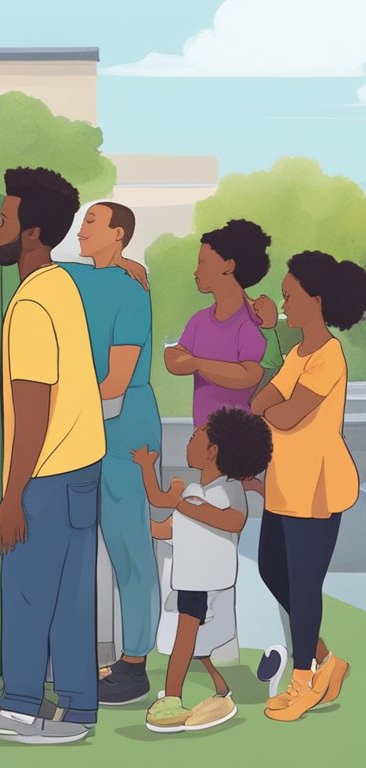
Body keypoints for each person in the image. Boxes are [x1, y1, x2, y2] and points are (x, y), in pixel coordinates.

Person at [0, 168, 105, 745]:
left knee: (28, 588)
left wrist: (12, 497)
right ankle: (78, 708)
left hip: (45, 470)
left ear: (31, 234)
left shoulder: (29, 303)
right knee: (73, 594)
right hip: (84, 462)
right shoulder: (61, 286)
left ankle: (21, 706)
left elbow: (33, 408)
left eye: (4, 220)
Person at [250, 250, 365, 722]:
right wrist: (276, 408)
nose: (283, 304)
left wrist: (276, 409)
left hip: (316, 487)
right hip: (284, 484)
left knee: (303, 586)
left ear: (316, 301)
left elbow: (287, 412)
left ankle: (303, 683)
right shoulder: (298, 353)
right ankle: (325, 659)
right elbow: (263, 401)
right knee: (271, 570)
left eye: (290, 296)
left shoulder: (328, 357)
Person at [62, 202, 164, 705]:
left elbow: (117, 380)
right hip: (86, 427)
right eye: (82, 222)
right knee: (83, 544)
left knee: (128, 547)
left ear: (118, 234)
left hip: (126, 431)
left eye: (92, 224)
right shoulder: (78, 278)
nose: (81, 231)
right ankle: (90, 651)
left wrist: (59, 403)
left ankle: (136, 663)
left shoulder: (132, 292)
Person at [133, 408, 272, 733]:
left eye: (197, 436)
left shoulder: (229, 490)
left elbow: (233, 521)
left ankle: (171, 698)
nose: (190, 439)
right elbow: (167, 524)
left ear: (213, 451)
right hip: (190, 580)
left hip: (208, 583)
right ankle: (221, 690)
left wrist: (183, 505)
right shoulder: (193, 492)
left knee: (186, 641)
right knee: (199, 646)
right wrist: (145, 472)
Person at [165, 220, 275, 429]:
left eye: (203, 262)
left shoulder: (251, 322)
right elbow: (173, 357)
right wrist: (185, 360)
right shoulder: (200, 320)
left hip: (240, 436)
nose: (196, 272)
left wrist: (197, 363)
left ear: (228, 266)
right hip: (203, 434)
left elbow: (249, 375)